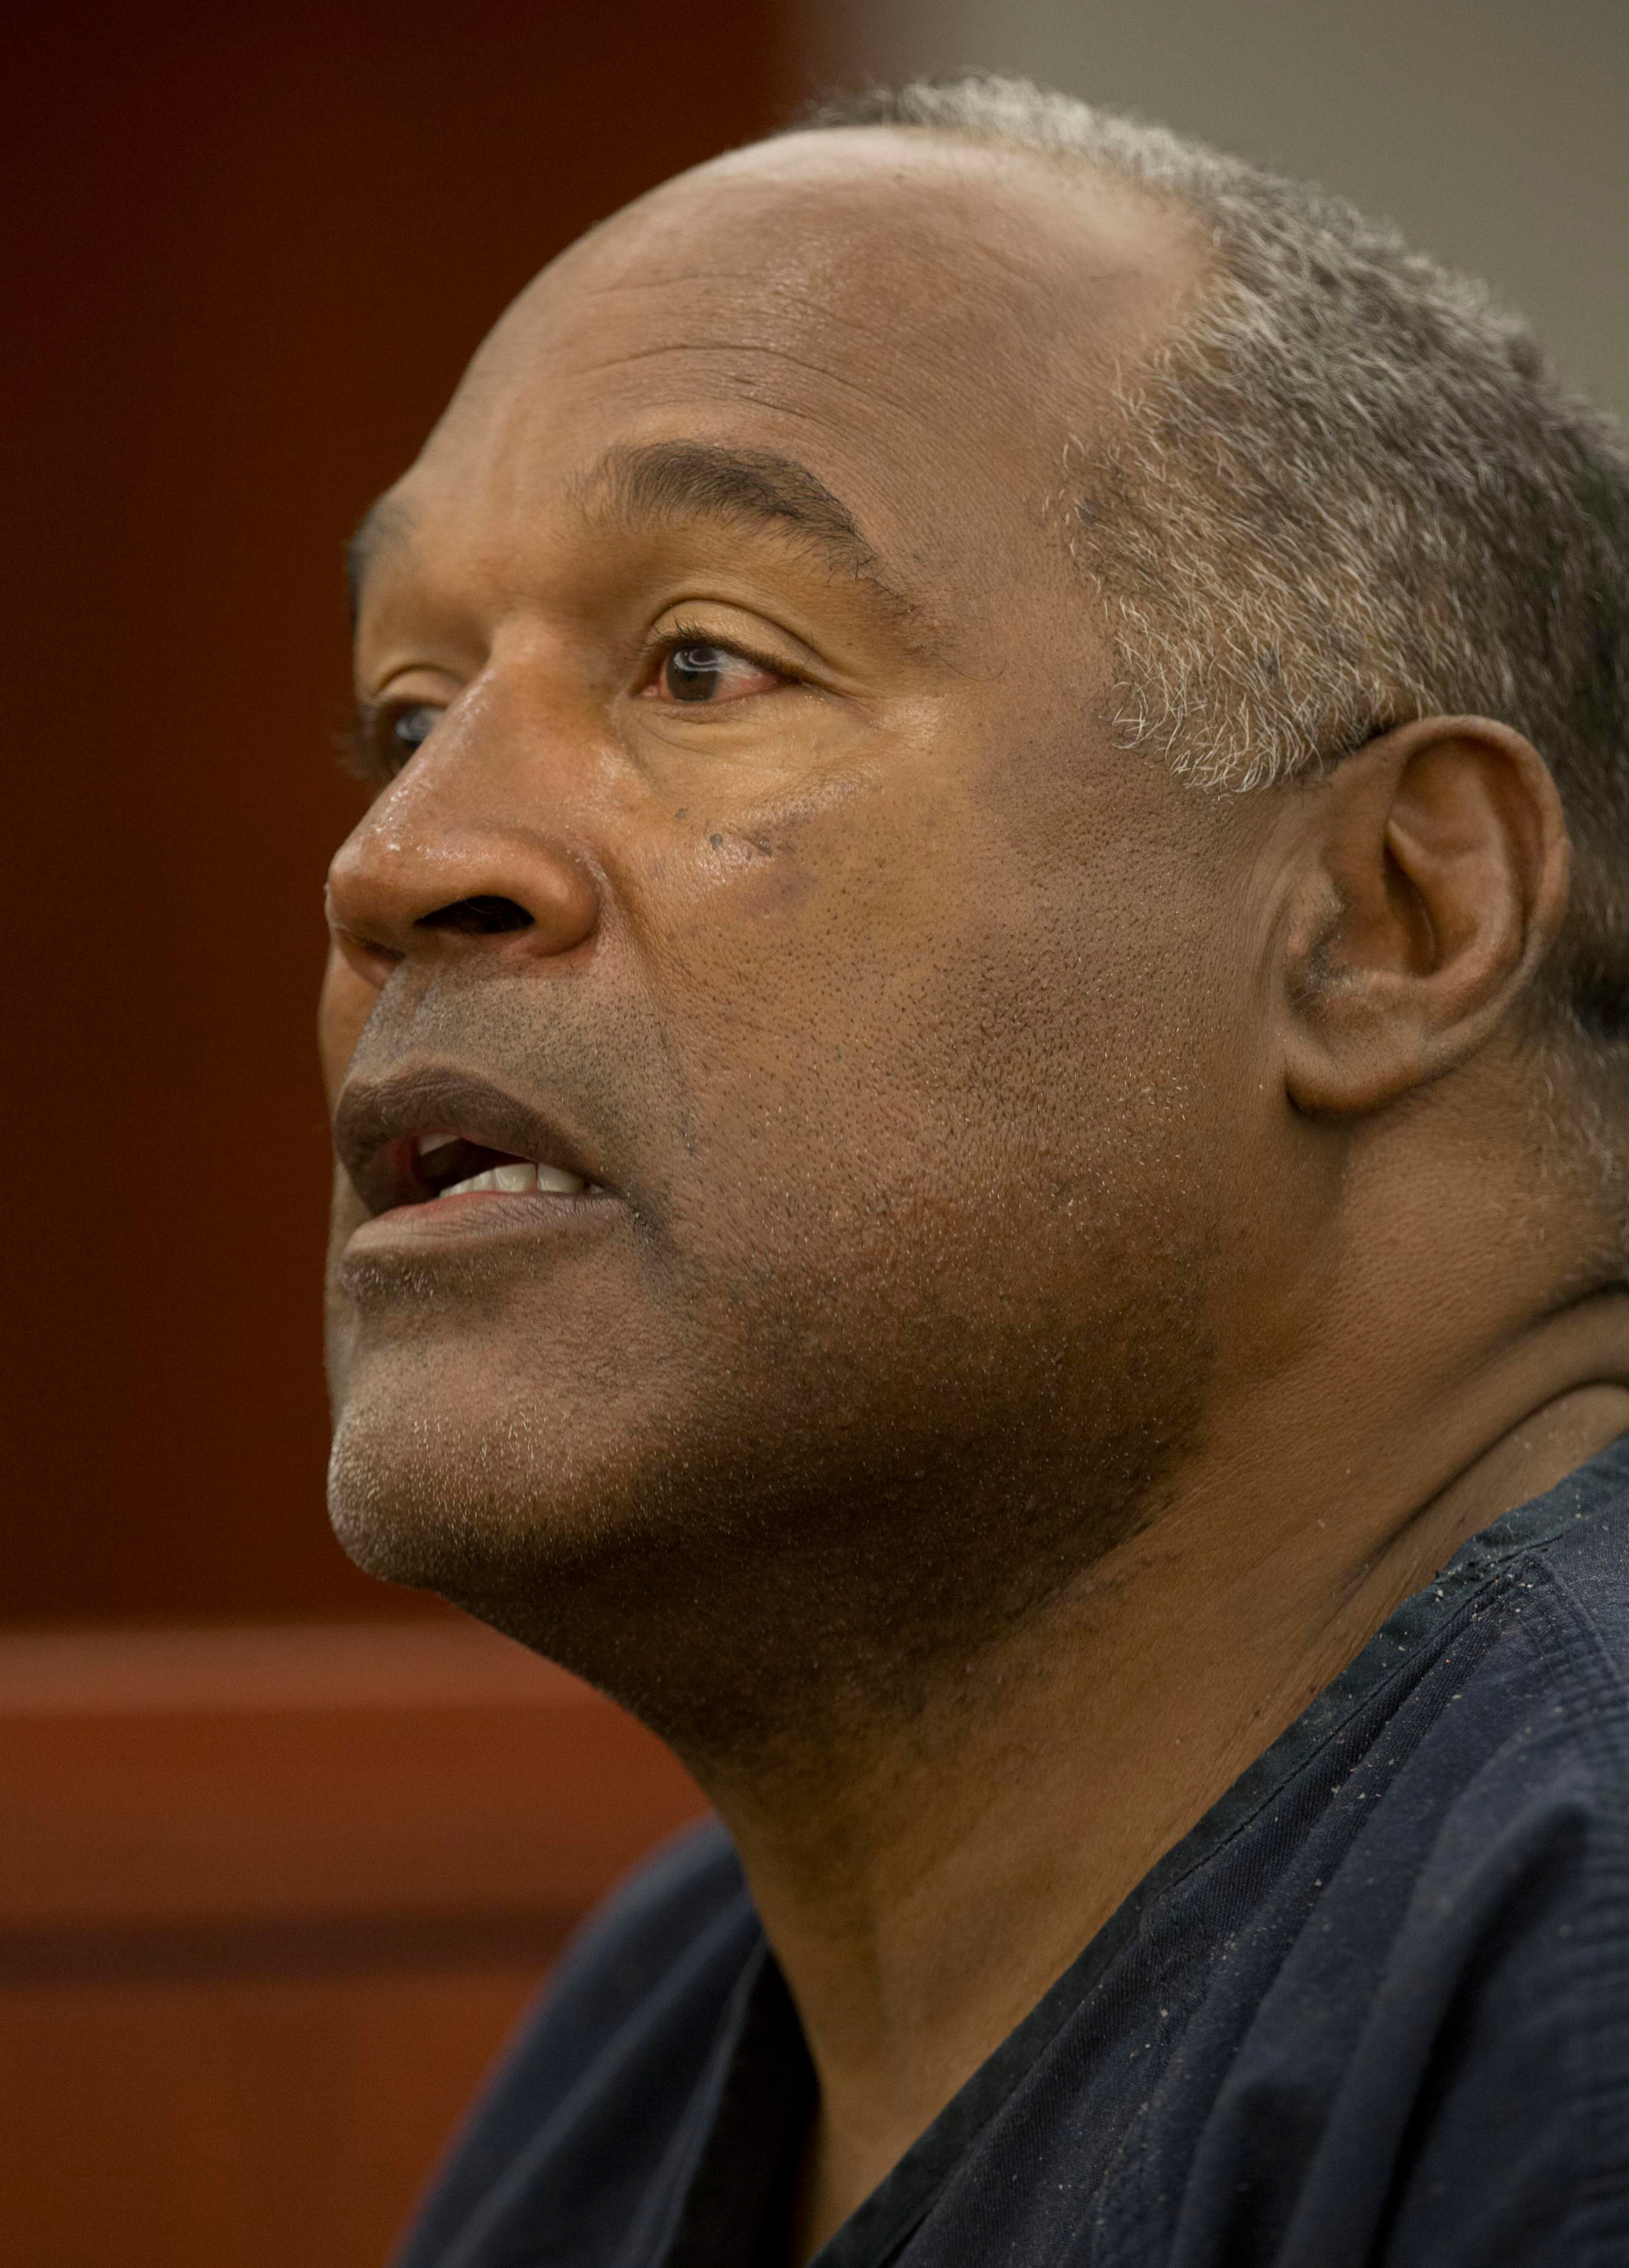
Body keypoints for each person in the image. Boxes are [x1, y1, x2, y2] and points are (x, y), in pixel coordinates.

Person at [320, 76, 1629, 2268]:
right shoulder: (659, 2012)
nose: (401, 859)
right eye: (403, 711)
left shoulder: (1578, 1976)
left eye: (704, 665)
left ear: (1388, 916)